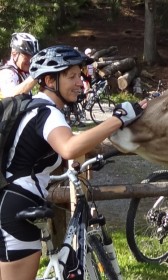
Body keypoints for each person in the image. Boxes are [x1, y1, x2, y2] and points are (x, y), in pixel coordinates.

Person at [0, 45, 147, 280]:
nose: (80, 82)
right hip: (16, 209)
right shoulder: (47, 113)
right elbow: (69, 147)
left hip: (15, 203)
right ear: (49, 79)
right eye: (72, 76)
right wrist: (117, 120)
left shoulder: (34, 108)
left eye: (80, 75)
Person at [0, 32, 39, 99]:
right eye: (26, 55)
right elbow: (10, 98)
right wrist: (35, 76)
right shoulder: (7, 73)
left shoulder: (21, 71)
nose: (30, 60)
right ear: (14, 54)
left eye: (33, 56)